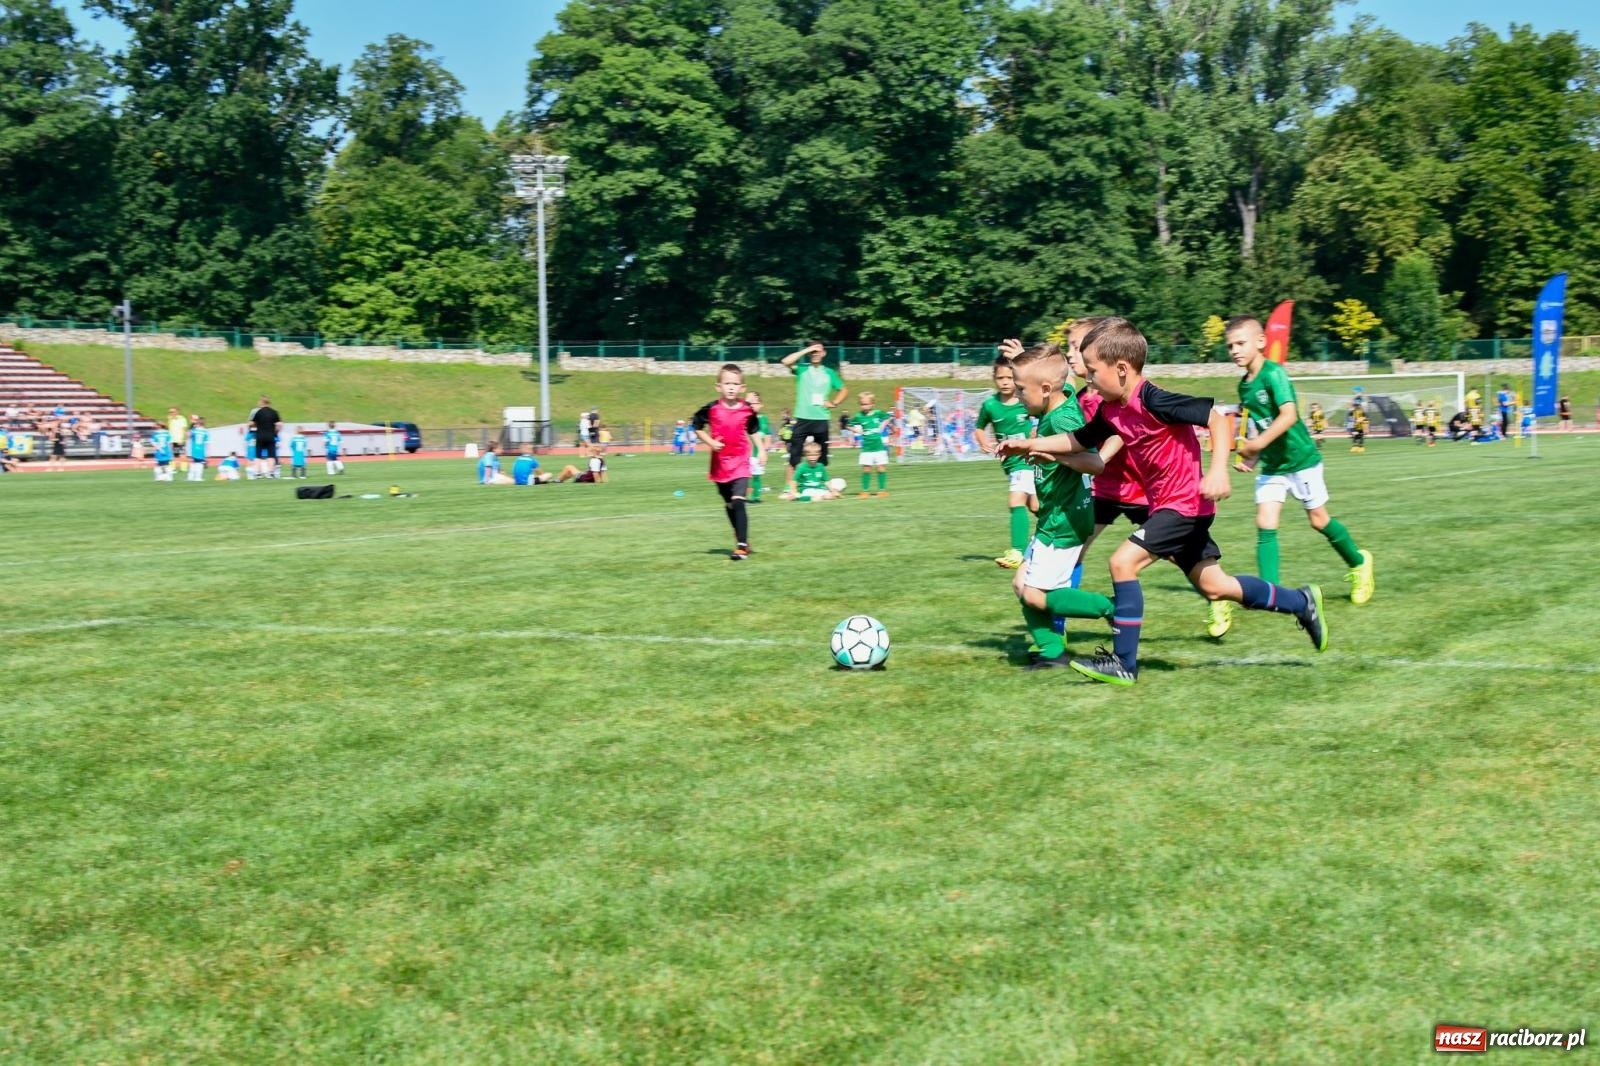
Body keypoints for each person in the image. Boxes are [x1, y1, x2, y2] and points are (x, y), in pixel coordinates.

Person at [1003, 317, 1327, 686]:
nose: (1088, 380)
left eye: (1093, 372)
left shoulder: (1154, 399)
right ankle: (1300, 602)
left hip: (1184, 505)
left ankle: (1124, 663)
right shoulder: (1111, 409)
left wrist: (1217, 470)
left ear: (1122, 369)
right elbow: (1076, 441)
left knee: (1122, 562)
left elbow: (1218, 420)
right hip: (1168, 508)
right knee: (1216, 587)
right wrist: (1031, 444)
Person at [1226, 315, 1375, 628]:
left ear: (1261, 342)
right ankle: (1272, 594)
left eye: (1241, 343)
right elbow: (1261, 424)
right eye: (1230, 346)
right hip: (1274, 465)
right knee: (1265, 522)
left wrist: (1256, 445)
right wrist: (1254, 457)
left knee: (1319, 520)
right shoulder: (1244, 386)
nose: (1235, 351)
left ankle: (1360, 563)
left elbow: (1289, 416)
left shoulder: (1273, 374)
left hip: (1302, 460)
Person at [996, 343, 1115, 669]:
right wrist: (1027, 357)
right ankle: (1051, 650)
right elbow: (1062, 381)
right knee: (1020, 583)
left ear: (1046, 389)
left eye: (1021, 389)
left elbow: (1094, 463)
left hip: (1066, 519)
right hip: (1054, 515)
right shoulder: (1056, 406)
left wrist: (1052, 454)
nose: (1018, 395)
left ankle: (1113, 609)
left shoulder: (1062, 420)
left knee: (1034, 594)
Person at [691, 363, 760, 559]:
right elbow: (696, 426)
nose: (731, 387)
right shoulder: (712, 408)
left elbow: (753, 430)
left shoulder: (747, 409)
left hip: (741, 461)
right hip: (720, 465)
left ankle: (741, 545)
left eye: (735, 384)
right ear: (718, 386)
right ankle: (741, 534)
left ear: (742, 388)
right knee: (730, 504)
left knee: (739, 500)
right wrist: (710, 442)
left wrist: (762, 449)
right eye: (727, 383)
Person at [975, 354, 1038, 567]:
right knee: (1037, 506)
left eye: (1009, 378)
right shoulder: (990, 405)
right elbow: (979, 427)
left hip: (1027, 460)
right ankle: (1055, 535)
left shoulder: (1026, 401)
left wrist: (1035, 436)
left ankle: (1017, 553)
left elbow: (1042, 419)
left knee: (1015, 501)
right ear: (994, 378)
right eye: (1000, 378)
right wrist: (983, 441)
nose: (1004, 382)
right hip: (1009, 464)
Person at [780, 342, 848, 496]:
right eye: (813, 352)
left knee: (821, 458)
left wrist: (834, 403)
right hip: (802, 418)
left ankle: (820, 486)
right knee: (794, 457)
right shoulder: (802, 370)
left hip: (821, 419)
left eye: (818, 351)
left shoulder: (829, 373)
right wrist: (808, 349)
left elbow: (843, 389)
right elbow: (786, 361)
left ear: (824, 353)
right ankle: (788, 490)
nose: (815, 354)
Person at [849, 391, 892, 498]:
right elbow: (849, 425)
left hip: (878, 447)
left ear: (872, 404)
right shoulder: (859, 416)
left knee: (880, 468)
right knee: (866, 469)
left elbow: (888, 417)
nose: (865, 406)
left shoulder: (878, 413)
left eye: (867, 404)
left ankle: (882, 490)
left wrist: (882, 425)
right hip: (867, 448)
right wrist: (858, 431)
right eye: (862, 404)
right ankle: (865, 491)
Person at [248, 395, 281, 479]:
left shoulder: (258, 412)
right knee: (271, 455)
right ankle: (270, 473)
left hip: (260, 436)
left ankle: (258, 473)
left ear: (262, 402)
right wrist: (276, 432)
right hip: (270, 436)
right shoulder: (274, 412)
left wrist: (254, 427)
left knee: (258, 456)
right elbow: (279, 424)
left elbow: (251, 423)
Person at [746, 391, 771, 502]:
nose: (753, 405)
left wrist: (765, 451)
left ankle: (756, 498)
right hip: (746, 454)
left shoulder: (764, 419)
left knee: (756, 476)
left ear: (761, 405)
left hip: (758, 454)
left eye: (756, 403)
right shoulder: (745, 418)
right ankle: (743, 498)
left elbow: (767, 436)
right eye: (751, 403)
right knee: (745, 477)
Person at [167, 407, 190, 477]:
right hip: (172, 439)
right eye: (170, 412)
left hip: (180, 439)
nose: (171, 413)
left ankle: (184, 468)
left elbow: (185, 429)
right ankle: (173, 468)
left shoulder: (182, 419)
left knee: (182, 454)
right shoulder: (170, 419)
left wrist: (183, 439)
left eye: (172, 412)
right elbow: (170, 429)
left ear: (177, 412)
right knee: (173, 455)